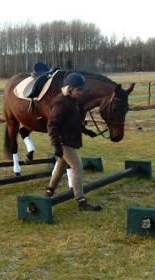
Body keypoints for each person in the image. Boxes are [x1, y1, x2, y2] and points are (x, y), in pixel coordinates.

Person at [45, 72, 101, 211]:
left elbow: (74, 121)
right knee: (77, 168)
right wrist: (57, 146)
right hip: (64, 143)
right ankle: (81, 202)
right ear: (70, 88)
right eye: (78, 89)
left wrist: (86, 131)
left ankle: (48, 193)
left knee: (60, 167)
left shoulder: (72, 101)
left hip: (69, 140)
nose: (81, 92)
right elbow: (52, 126)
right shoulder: (60, 103)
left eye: (81, 89)